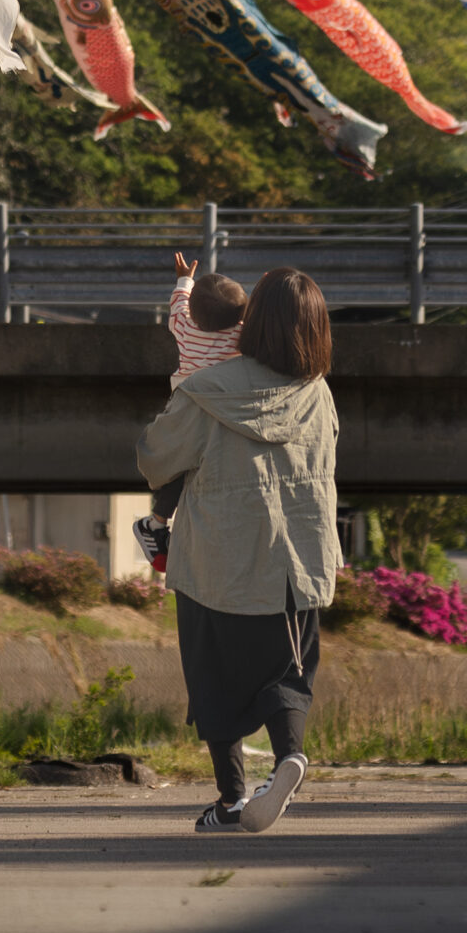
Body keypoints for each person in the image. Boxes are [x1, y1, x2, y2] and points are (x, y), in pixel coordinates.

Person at [136, 265, 339, 836]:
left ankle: (229, 801)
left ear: (254, 322)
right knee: (288, 677)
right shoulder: (319, 395)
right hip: (297, 565)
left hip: (215, 563)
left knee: (214, 680)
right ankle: (289, 760)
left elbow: (155, 459)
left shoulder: (205, 392)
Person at [131, 250, 248, 576]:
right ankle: (156, 525)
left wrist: (184, 277)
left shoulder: (182, 326)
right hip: (216, 410)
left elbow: (179, 302)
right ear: (241, 316)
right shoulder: (240, 335)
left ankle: (155, 523)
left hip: (183, 405)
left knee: (183, 469)